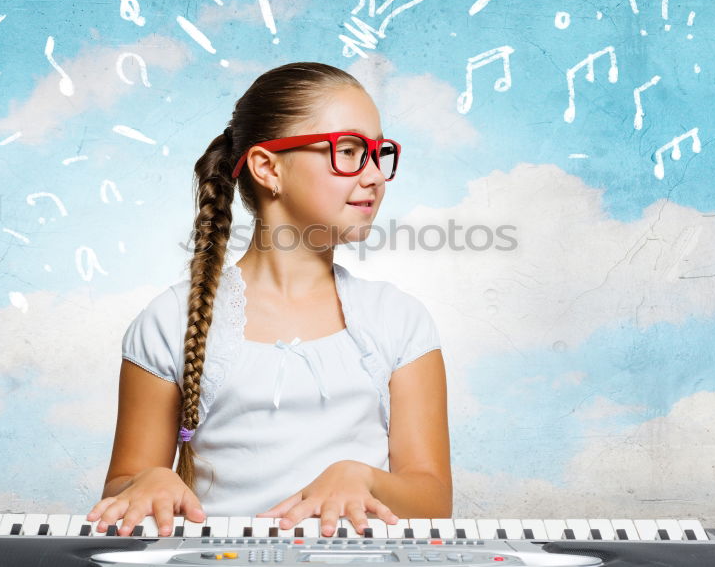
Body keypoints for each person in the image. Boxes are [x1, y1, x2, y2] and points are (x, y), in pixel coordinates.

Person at [86, 62, 450, 539]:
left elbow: (434, 502)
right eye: (348, 151)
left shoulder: (399, 321)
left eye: (379, 153)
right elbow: (122, 485)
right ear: (267, 168)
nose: (375, 175)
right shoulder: (169, 321)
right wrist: (150, 479)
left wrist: (363, 477)